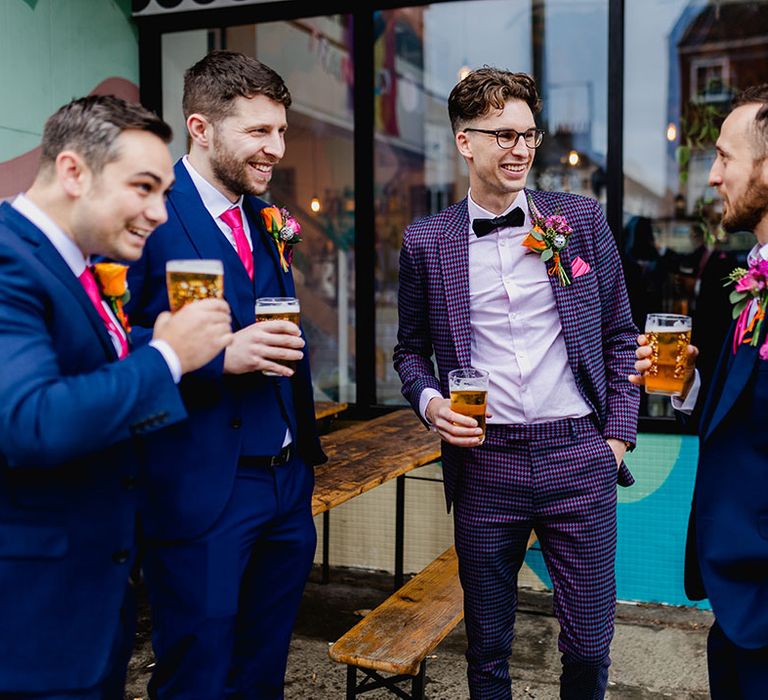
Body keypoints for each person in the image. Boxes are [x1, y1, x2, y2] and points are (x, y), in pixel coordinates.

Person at [393, 67, 640, 699]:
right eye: (503, 135)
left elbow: (619, 334)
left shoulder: (579, 221)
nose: (521, 149)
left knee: (588, 645)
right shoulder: (426, 242)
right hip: (484, 462)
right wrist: (430, 403)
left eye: (528, 135)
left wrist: (614, 438)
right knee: (488, 648)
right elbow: (410, 352)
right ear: (465, 142)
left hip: (577, 456)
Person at [0, 95, 233, 699]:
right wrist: (169, 356)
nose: (160, 212)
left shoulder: (70, 263)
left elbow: (77, 361)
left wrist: (141, 343)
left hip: (92, 602)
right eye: (144, 187)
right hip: (30, 620)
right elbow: (31, 421)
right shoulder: (7, 261)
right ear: (75, 171)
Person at [124, 50, 326, 699]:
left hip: (287, 489)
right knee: (198, 673)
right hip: (202, 486)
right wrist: (218, 356)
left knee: (263, 671)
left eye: (281, 131)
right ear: (201, 128)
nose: (276, 148)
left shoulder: (266, 219)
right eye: (259, 132)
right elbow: (104, 340)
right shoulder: (148, 217)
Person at [631, 84, 768, 698]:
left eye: (724, 157)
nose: (712, 177)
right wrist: (684, 385)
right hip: (737, 600)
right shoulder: (753, 278)